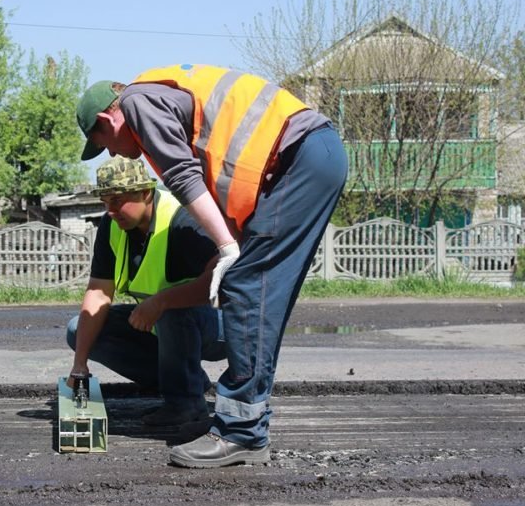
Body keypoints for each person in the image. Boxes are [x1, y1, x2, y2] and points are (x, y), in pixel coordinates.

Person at [76, 64, 348, 468]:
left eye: (106, 144)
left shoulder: (136, 102)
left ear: (106, 118)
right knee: (253, 286)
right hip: (307, 157)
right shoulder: (164, 99)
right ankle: (238, 423)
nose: (113, 153)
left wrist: (226, 247)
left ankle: (242, 432)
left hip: (301, 158)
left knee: (246, 285)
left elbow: (182, 175)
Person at [66, 155, 226, 432]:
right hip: (165, 322)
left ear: (145, 192)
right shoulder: (112, 225)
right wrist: (80, 364)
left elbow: (221, 282)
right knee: (77, 329)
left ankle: (186, 404)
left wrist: (162, 301)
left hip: (223, 325)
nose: (111, 210)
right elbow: (98, 292)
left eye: (117, 200)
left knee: (172, 312)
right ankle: (187, 381)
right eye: (105, 202)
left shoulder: (184, 219)